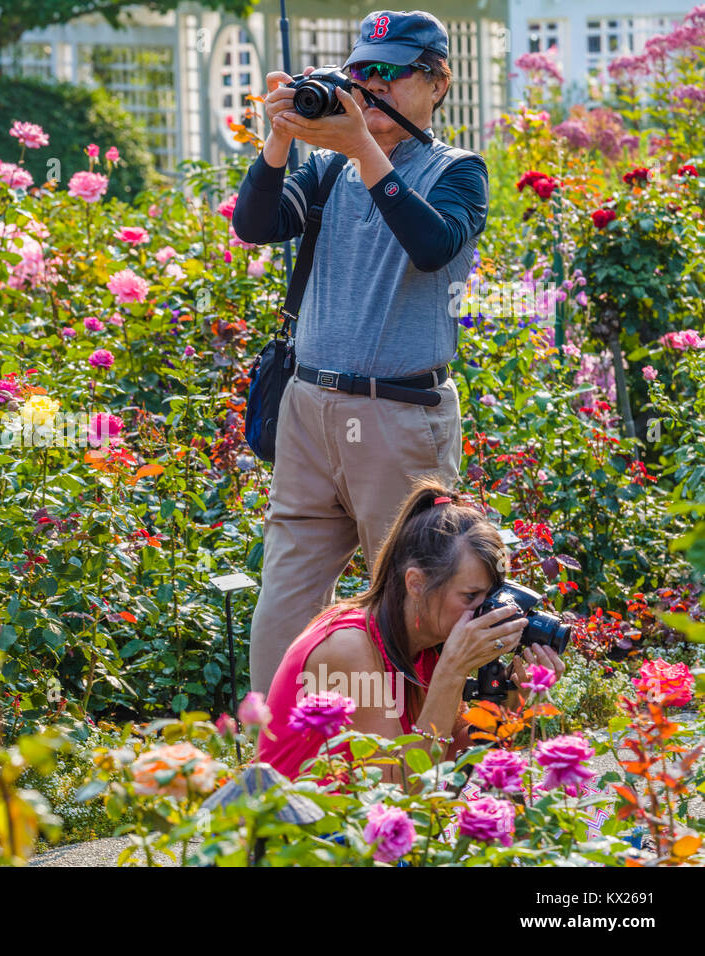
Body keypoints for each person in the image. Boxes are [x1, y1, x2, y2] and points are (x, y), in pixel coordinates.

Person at [233, 10, 491, 697]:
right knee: (283, 603)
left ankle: (421, 777)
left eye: (387, 72)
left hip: (400, 418)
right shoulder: (326, 173)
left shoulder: (456, 171)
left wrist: (362, 147)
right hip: (310, 410)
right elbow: (254, 225)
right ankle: (275, 768)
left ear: (437, 82)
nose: (368, 87)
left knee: (422, 606)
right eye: (358, 73)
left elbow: (432, 245)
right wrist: (280, 140)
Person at [257, 478, 565, 783]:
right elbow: (398, 790)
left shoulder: (428, 641)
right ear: (416, 584)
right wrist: (453, 672)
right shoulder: (350, 648)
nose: (487, 612)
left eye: (492, 598)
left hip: (353, 823)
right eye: (471, 597)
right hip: (298, 827)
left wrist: (511, 697)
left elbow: (449, 758)